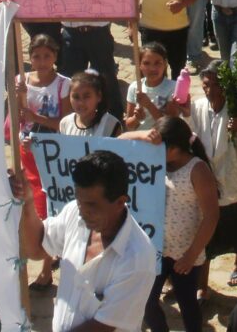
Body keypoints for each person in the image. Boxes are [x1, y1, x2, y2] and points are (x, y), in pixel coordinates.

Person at [12, 150, 156, 332]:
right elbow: (36, 249)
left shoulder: (138, 258)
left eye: (92, 205)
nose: (82, 211)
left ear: (120, 202)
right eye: (79, 200)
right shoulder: (74, 212)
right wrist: (27, 203)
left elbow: (102, 327)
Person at [137, 117, 219, 332]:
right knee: (146, 301)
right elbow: (119, 140)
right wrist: (142, 135)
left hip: (185, 255)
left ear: (174, 148)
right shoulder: (158, 163)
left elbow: (211, 216)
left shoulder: (197, 170)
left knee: (187, 304)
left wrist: (191, 255)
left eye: (157, 145)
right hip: (157, 250)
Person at [189, 62, 237, 294]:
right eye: (206, 84)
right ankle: (202, 286)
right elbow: (188, 133)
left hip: (234, 180)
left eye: (216, 85)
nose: (210, 90)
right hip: (208, 182)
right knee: (206, 240)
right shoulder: (198, 108)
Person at [15, 33, 72, 289]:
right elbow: (17, 118)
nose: (41, 61)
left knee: (48, 205)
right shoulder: (21, 81)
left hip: (52, 152)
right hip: (26, 151)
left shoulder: (63, 84)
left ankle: (48, 266)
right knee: (26, 204)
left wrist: (34, 116)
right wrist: (19, 99)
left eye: (47, 56)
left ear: (55, 57)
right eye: (36, 56)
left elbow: (64, 123)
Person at [124, 41, 186, 131]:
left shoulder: (173, 88)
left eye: (157, 63)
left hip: (162, 139)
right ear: (139, 65)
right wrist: (136, 118)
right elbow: (129, 125)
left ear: (165, 64)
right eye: (146, 63)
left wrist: (149, 105)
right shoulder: (134, 87)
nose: (152, 68)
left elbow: (170, 126)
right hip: (140, 139)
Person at [59, 69, 122, 137]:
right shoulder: (65, 123)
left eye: (86, 97)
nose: (81, 103)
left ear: (99, 96)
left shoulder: (111, 125)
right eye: (76, 97)